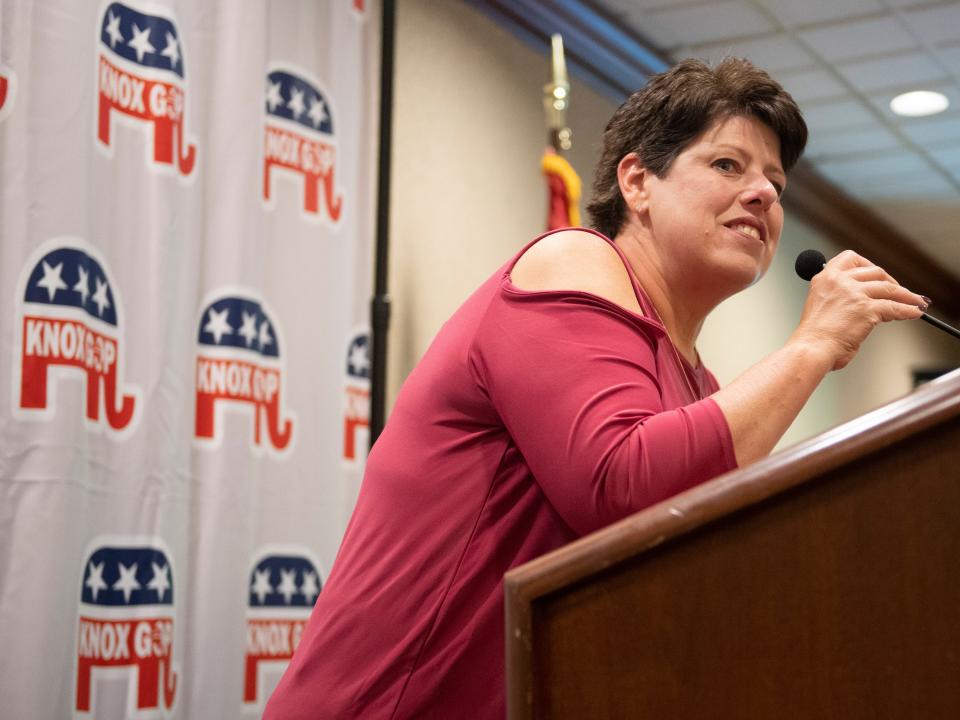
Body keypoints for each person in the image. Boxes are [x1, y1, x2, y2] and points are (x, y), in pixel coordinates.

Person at [264, 58, 927, 719]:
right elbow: (622, 489)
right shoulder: (572, 261)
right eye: (729, 165)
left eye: (776, 182)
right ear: (637, 181)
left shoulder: (698, 384)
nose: (764, 194)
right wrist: (811, 346)